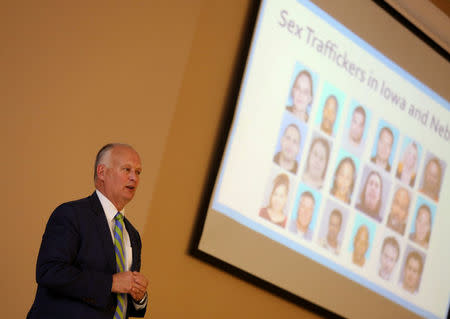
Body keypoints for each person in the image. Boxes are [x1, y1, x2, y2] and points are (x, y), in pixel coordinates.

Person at [27, 143, 148, 319]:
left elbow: (118, 302)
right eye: (126, 169)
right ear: (102, 172)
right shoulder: (71, 214)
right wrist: (111, 282)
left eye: (138, 172)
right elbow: (50, 272)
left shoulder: (133, 235)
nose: (134, 178)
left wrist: (139, 297)